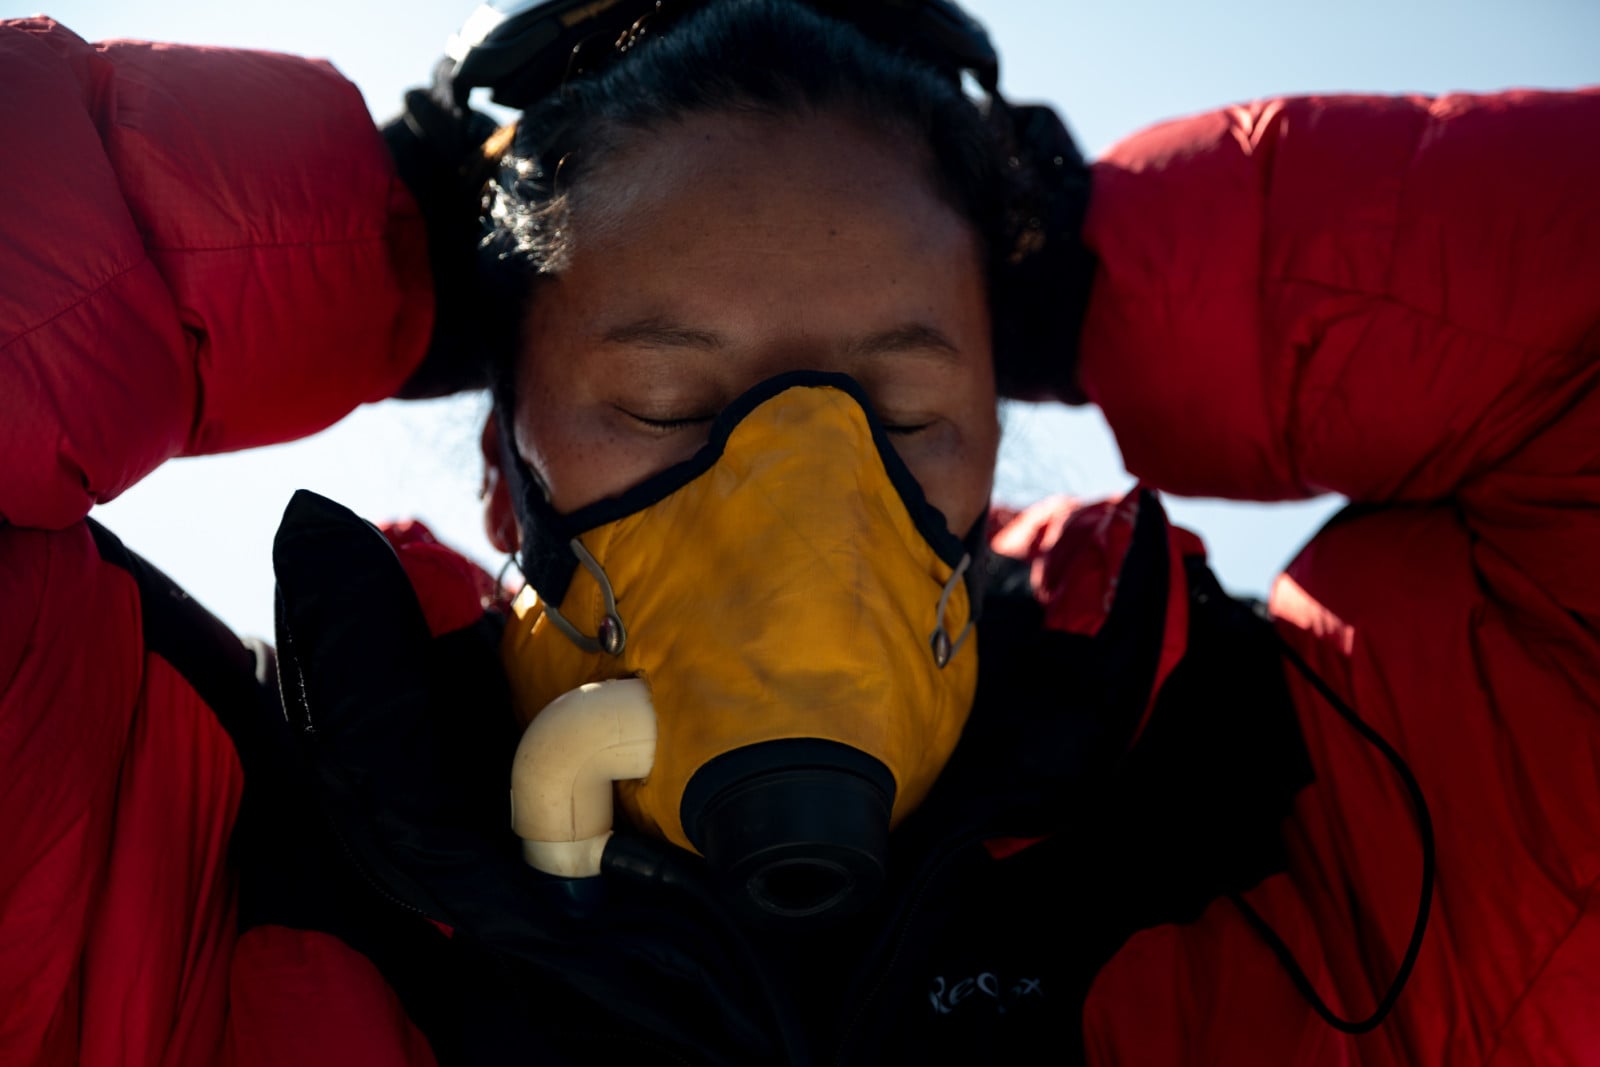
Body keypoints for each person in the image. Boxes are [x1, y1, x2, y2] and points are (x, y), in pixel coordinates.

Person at [1, 1, 1597, 1064]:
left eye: (902, 409)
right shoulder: (200, 860)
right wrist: (379, 243)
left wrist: (1121, 266)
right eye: (667, 399)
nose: (802, 513)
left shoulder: (1291, 829)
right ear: (505, 468)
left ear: (1000, 417)